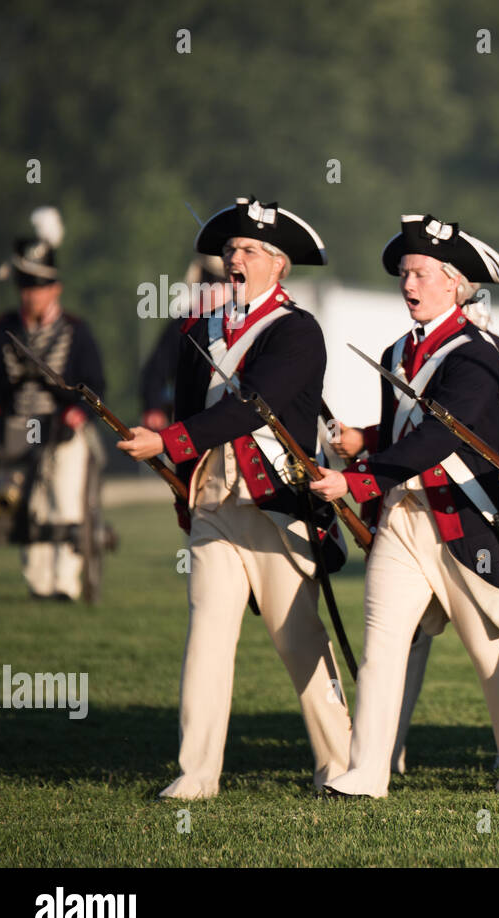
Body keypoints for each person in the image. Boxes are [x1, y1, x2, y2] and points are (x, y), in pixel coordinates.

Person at [117, 196, 352, 799]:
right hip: (215, 504)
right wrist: (181, 481)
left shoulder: (297, 331)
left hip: (276, 505)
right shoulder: (199, 330)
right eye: (229, 250)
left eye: (248, 250)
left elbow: (256, 407)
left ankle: (341, 765)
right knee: (207, 639)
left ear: (278, 263)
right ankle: (197, 775)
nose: (233, 259)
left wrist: (168, 439)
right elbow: (188, 410)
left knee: (299, 640)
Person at [310, 214, 499, 797]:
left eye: (419, 273)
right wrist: (364, 447)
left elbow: (445, 436)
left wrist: (360, 482)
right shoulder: (397, 352)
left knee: (493, 650)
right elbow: (402, 437)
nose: (408, 284)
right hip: (404, 519)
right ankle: (368, 771)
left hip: (465, 519)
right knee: (383, 644)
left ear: (452, 281)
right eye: (405, 274)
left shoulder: (480, 353)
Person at [0, 206, 107, 601]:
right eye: (26, 285)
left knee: (64, 499)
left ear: (54, 288)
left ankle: (65, 584)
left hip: (63, 429)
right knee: (26, 507)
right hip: (16, 429)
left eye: (38, 285)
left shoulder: (76, 331)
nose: (31, 294)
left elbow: (95, 384)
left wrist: (76, 412)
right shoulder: (3, 330)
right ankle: (38, 583)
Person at [140, 254, 230, 430]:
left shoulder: (243, 323)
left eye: (219, 283)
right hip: (189, 420)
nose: (211, 289)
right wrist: (153, 407)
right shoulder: (182, 326)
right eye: (208, 283)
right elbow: (156, 370)